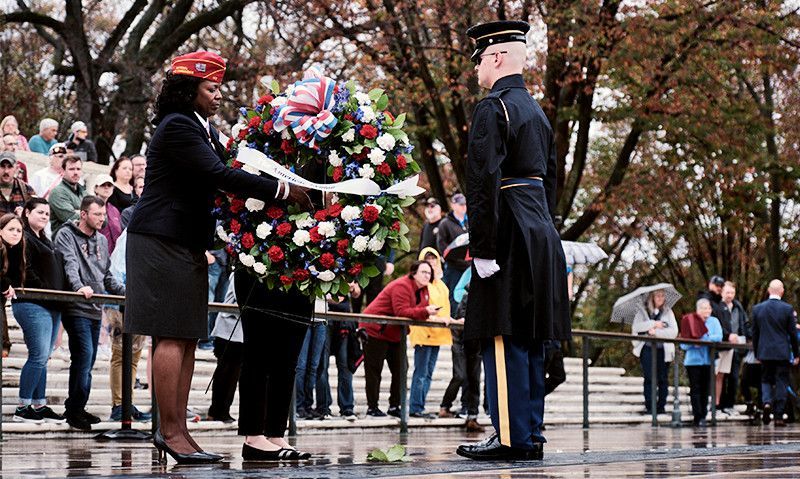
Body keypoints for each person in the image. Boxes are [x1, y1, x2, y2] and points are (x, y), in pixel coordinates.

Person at [123, 50, 311, 464]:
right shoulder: (178, 126)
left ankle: (181, 434)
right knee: (171, 334)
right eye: (211, 88)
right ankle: (169, 432)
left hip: (185, 241)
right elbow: (220, 175)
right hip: (160, 239)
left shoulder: (199, 126)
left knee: (187, 336)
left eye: (219, 88)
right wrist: (283, 190)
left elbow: (234, 163)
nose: (219, 95)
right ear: (189, 90)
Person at [456, 20, 571, 462]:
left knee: (502, 335)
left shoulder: (494, 107)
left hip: (508, 228)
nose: (478, 70)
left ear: (498, 57)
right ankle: (530, 433)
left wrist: (482, 248)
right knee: (532, 335)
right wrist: (544, 225)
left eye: (481, 60)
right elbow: (552, 179)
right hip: (540, 227)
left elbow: (483, 182)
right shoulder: (538, 112)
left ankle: (509, 437)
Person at [54, 196, 125, 430]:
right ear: (83, 214)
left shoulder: (103, 241)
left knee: (89, 360)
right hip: (76, 307)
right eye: (97, 214)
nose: (102, 219)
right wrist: (78, 287)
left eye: (104, 215)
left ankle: (77, 407)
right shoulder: (66, 234)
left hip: (95, 309)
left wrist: (126, 292)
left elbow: (105, 275)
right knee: (83, 358)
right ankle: (74, 410)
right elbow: (69, 264)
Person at [10, 200, 67, 422]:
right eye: (39, 212)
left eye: (47, 213)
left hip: (52, 304)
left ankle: (39, 404)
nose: (44, 216)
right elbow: (27, 271)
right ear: (27, 212)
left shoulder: (45, 239)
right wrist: (48, 291)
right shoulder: (23, 237)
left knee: (43, 357)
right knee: (38, 355)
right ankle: (22, 407)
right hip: (32, 302)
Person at [359, 260, 439, 418]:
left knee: (401, 369)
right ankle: (372, 407)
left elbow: (417, 312)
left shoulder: (424, 290)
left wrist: (433, 314)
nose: (426, 275)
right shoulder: (402, 286)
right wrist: (425, 311)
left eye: (429, 273)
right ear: (413, 273)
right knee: (374, 369)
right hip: (376, 329)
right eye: (423, 272)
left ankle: (395, 405)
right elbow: (401, 311)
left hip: (395, 332)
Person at [106, 229, 151, 422]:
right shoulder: (131, 234)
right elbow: (117, 269)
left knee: (133, 357)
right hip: (122, 301)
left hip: (141, 301)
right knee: (120, 354)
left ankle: (127, 401)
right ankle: (118, 404)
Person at [408, 248, 454, 418]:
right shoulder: (421, 285)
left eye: (434, 259)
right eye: (428, 260)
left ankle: (420, 406)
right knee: (420, 373)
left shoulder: (441, 284)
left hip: (438, 334)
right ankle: (415, 407)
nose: (432, 263)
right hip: (424, 332)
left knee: (428, 373)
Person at [440, 266, 484, 432]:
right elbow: (460, 320)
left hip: (477, 345)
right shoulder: (467, 297)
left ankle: (472, 415)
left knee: (474, 380)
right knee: (459, 375)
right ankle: (445, 406)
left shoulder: (489, 301)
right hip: (461, 342)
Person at [752, 279, 799, 427]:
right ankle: (778, 415)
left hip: (765, 352)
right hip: (782, 352)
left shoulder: (758, 309)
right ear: (782, 291)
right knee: (781, 381)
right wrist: (796, 354)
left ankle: (766, 403)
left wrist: (757, 352)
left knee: (766, 380)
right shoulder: (787, 309)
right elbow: (792, 334)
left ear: (768, 290)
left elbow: (755, 333)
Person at [631, 289, 678, 414]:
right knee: (649, 378)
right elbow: (636, 328)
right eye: (658, 295)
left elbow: (673, 332)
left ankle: (661, 406)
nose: (660, 298)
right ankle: (650, 406)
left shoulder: (668, 312)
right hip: (647, 349)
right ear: (652, 297)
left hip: (663, 350)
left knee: (662, 378)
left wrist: (656, 332)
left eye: (662, 296)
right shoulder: (642, 311)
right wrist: (653, 324)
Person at [680, 298, 723, 427]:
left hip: (708, 361)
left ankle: (703, 415)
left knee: (705, 389)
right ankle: (697, 416)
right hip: (693, 361)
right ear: (698, 310)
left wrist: (704, 339)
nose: (707, 311)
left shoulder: (714, 321)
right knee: (695, 389)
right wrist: (694, 344)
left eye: (709, 308)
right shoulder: (690, 320)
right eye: (704, 308)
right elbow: (683, 344)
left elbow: (718, 336)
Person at [206, 274, 241, 423]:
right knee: (224, 372)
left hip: (240, 333)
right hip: (228, 330)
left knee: (233, 374)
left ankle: (223, 409)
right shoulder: (237, 275)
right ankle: (216, 410)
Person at [437, 192, 469, 313]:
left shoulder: (470, 221)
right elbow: (442, 246)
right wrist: (457, 258)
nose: (464, 207)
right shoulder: (445, 223)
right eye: (461, 204)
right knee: (453, 297)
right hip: (453, 267)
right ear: (453, 205)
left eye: (465, 204)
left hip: (469, 267)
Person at [718, 281, 747, 415]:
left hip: (737, 347)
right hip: (723, 347)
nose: (730, 295)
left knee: (734, 377)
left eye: (732, 293)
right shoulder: (718, 306)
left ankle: (730, 404)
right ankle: (720, 404)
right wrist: (727, 335)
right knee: (722, 376)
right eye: (727, 292)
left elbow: (744, 324)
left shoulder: (738, 307)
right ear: (722, 292)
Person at [48, 154, 86, 233]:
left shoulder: (84, 193)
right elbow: (71, 218)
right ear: (63, 171)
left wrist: (79, 212)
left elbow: (103, 220)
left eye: (78, 169)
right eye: (71, 169)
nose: (76, 172)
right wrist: (91, 214)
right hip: (64, 240)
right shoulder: (58, 192)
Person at [92, 174, 122, 253]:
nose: (106, 187)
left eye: (109, 185)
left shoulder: (114, 210)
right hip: (96, 253)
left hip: (114, 254)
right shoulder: (90, 208)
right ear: (95, 188)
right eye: (102, 185)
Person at [0, 152, 35, 218]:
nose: (6, 171)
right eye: (2, 166)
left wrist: (24, 215)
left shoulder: (26, 189)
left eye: (10, 167)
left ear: (16, 169)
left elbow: (36, 215)